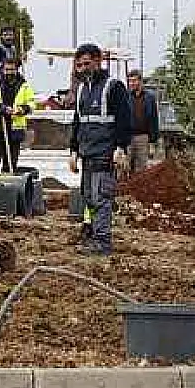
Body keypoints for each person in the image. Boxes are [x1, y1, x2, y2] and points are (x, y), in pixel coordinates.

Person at [68, 43, 131, 256]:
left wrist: (121, 147)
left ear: (98, 61)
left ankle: (102, 243)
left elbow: (124, 119)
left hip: (105, 153)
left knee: (101, 198)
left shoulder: (113, 87)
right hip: (87, 153)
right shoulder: (82, 90)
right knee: (88, 197)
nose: (83, 68)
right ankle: (92, 235)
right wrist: (73, 151)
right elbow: (78, 122)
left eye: (87, 63)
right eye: (80, 64)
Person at [0, 56, 35, 175]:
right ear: (2, 69)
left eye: (12, 69)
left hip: (14, 131)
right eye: (7, 69)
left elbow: (31, 103)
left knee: (11, 163)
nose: (9, 72)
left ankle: (7, 187)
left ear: (17, 70)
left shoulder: (24, 86)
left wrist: (21, 109)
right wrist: (1, 108)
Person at [125, 69, 159, 177]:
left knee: (141, 170)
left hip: (143, 137)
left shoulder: (149, 98)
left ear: (140, 81)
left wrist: (153, 142)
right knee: (125, 168)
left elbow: (154, 119)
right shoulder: (125, 97)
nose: (132, 83)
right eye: (130, 81)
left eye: (134, 81)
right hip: (128, 137)